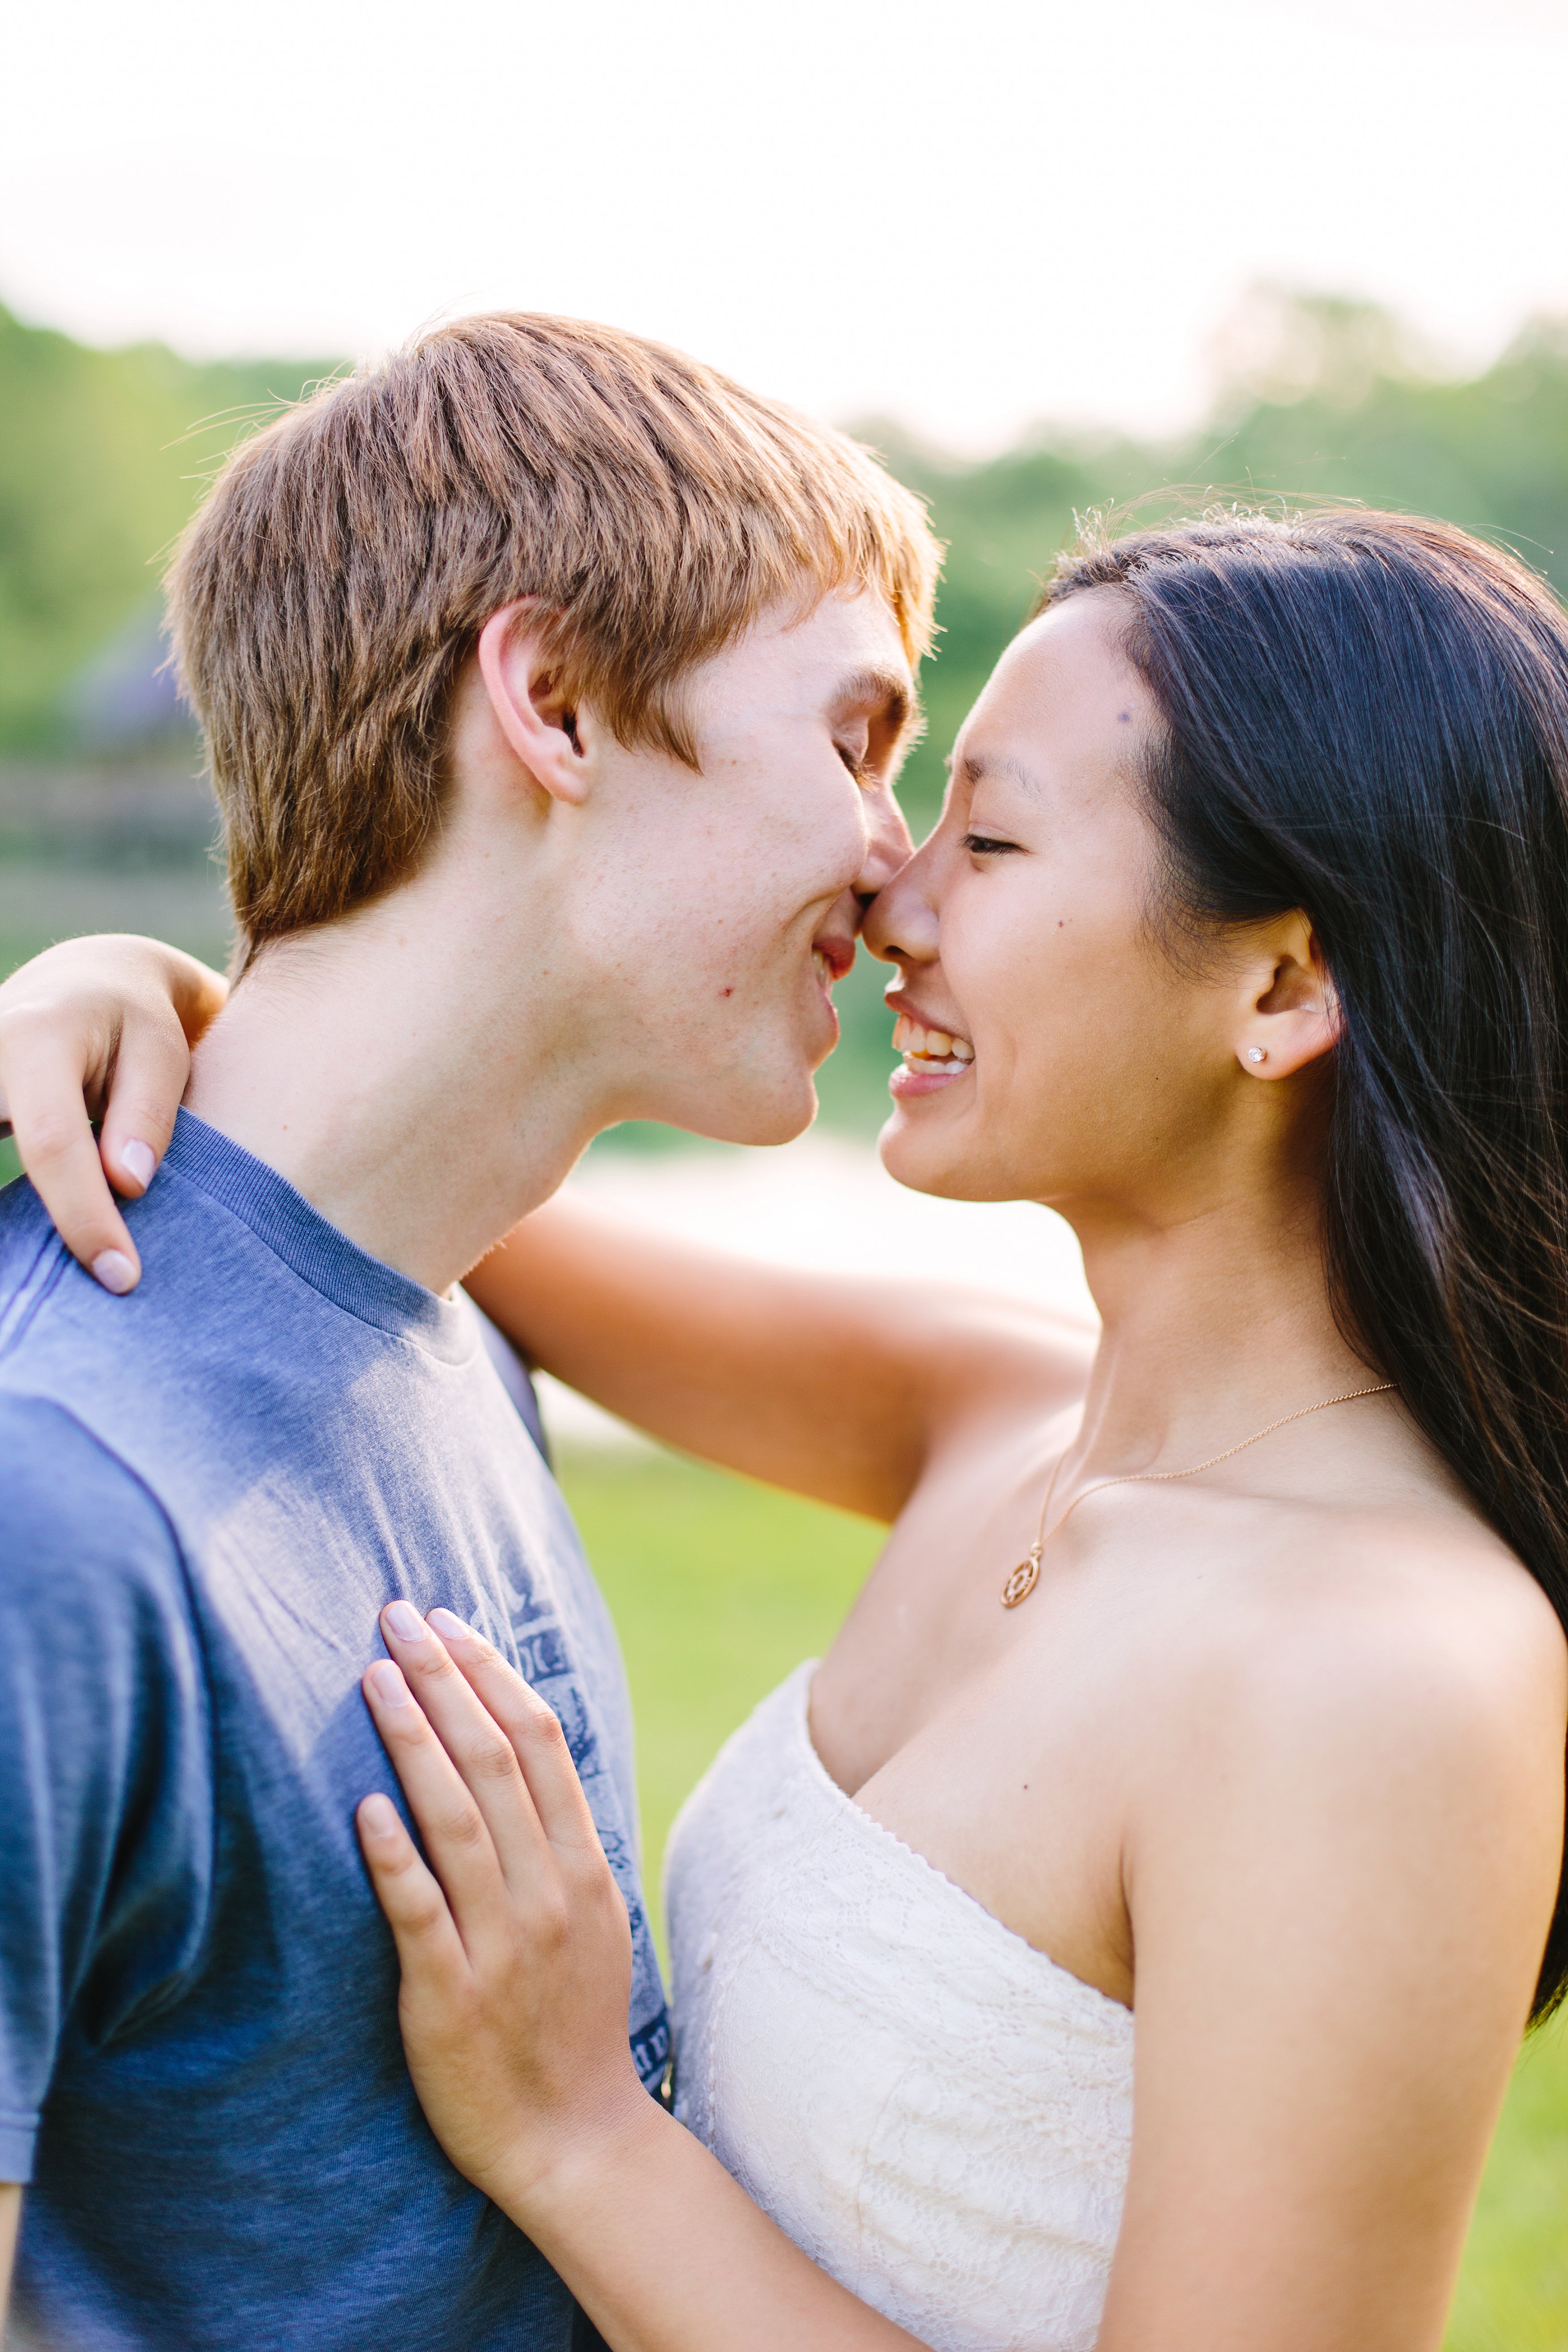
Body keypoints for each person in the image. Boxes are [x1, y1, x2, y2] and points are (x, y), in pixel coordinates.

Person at [13, 504, 1568, 2352]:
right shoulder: (995, 1415)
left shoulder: (1381, 1672)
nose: (891, 899)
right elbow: (416, 1177)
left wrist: (581, 2134)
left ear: (1282, 982)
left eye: (987, 839)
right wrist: (142, 994)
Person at [0, 311, 940, 2350]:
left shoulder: (440, 1314)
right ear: (558, 702)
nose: (895, 854)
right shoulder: (47, 1497)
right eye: (854, 736)